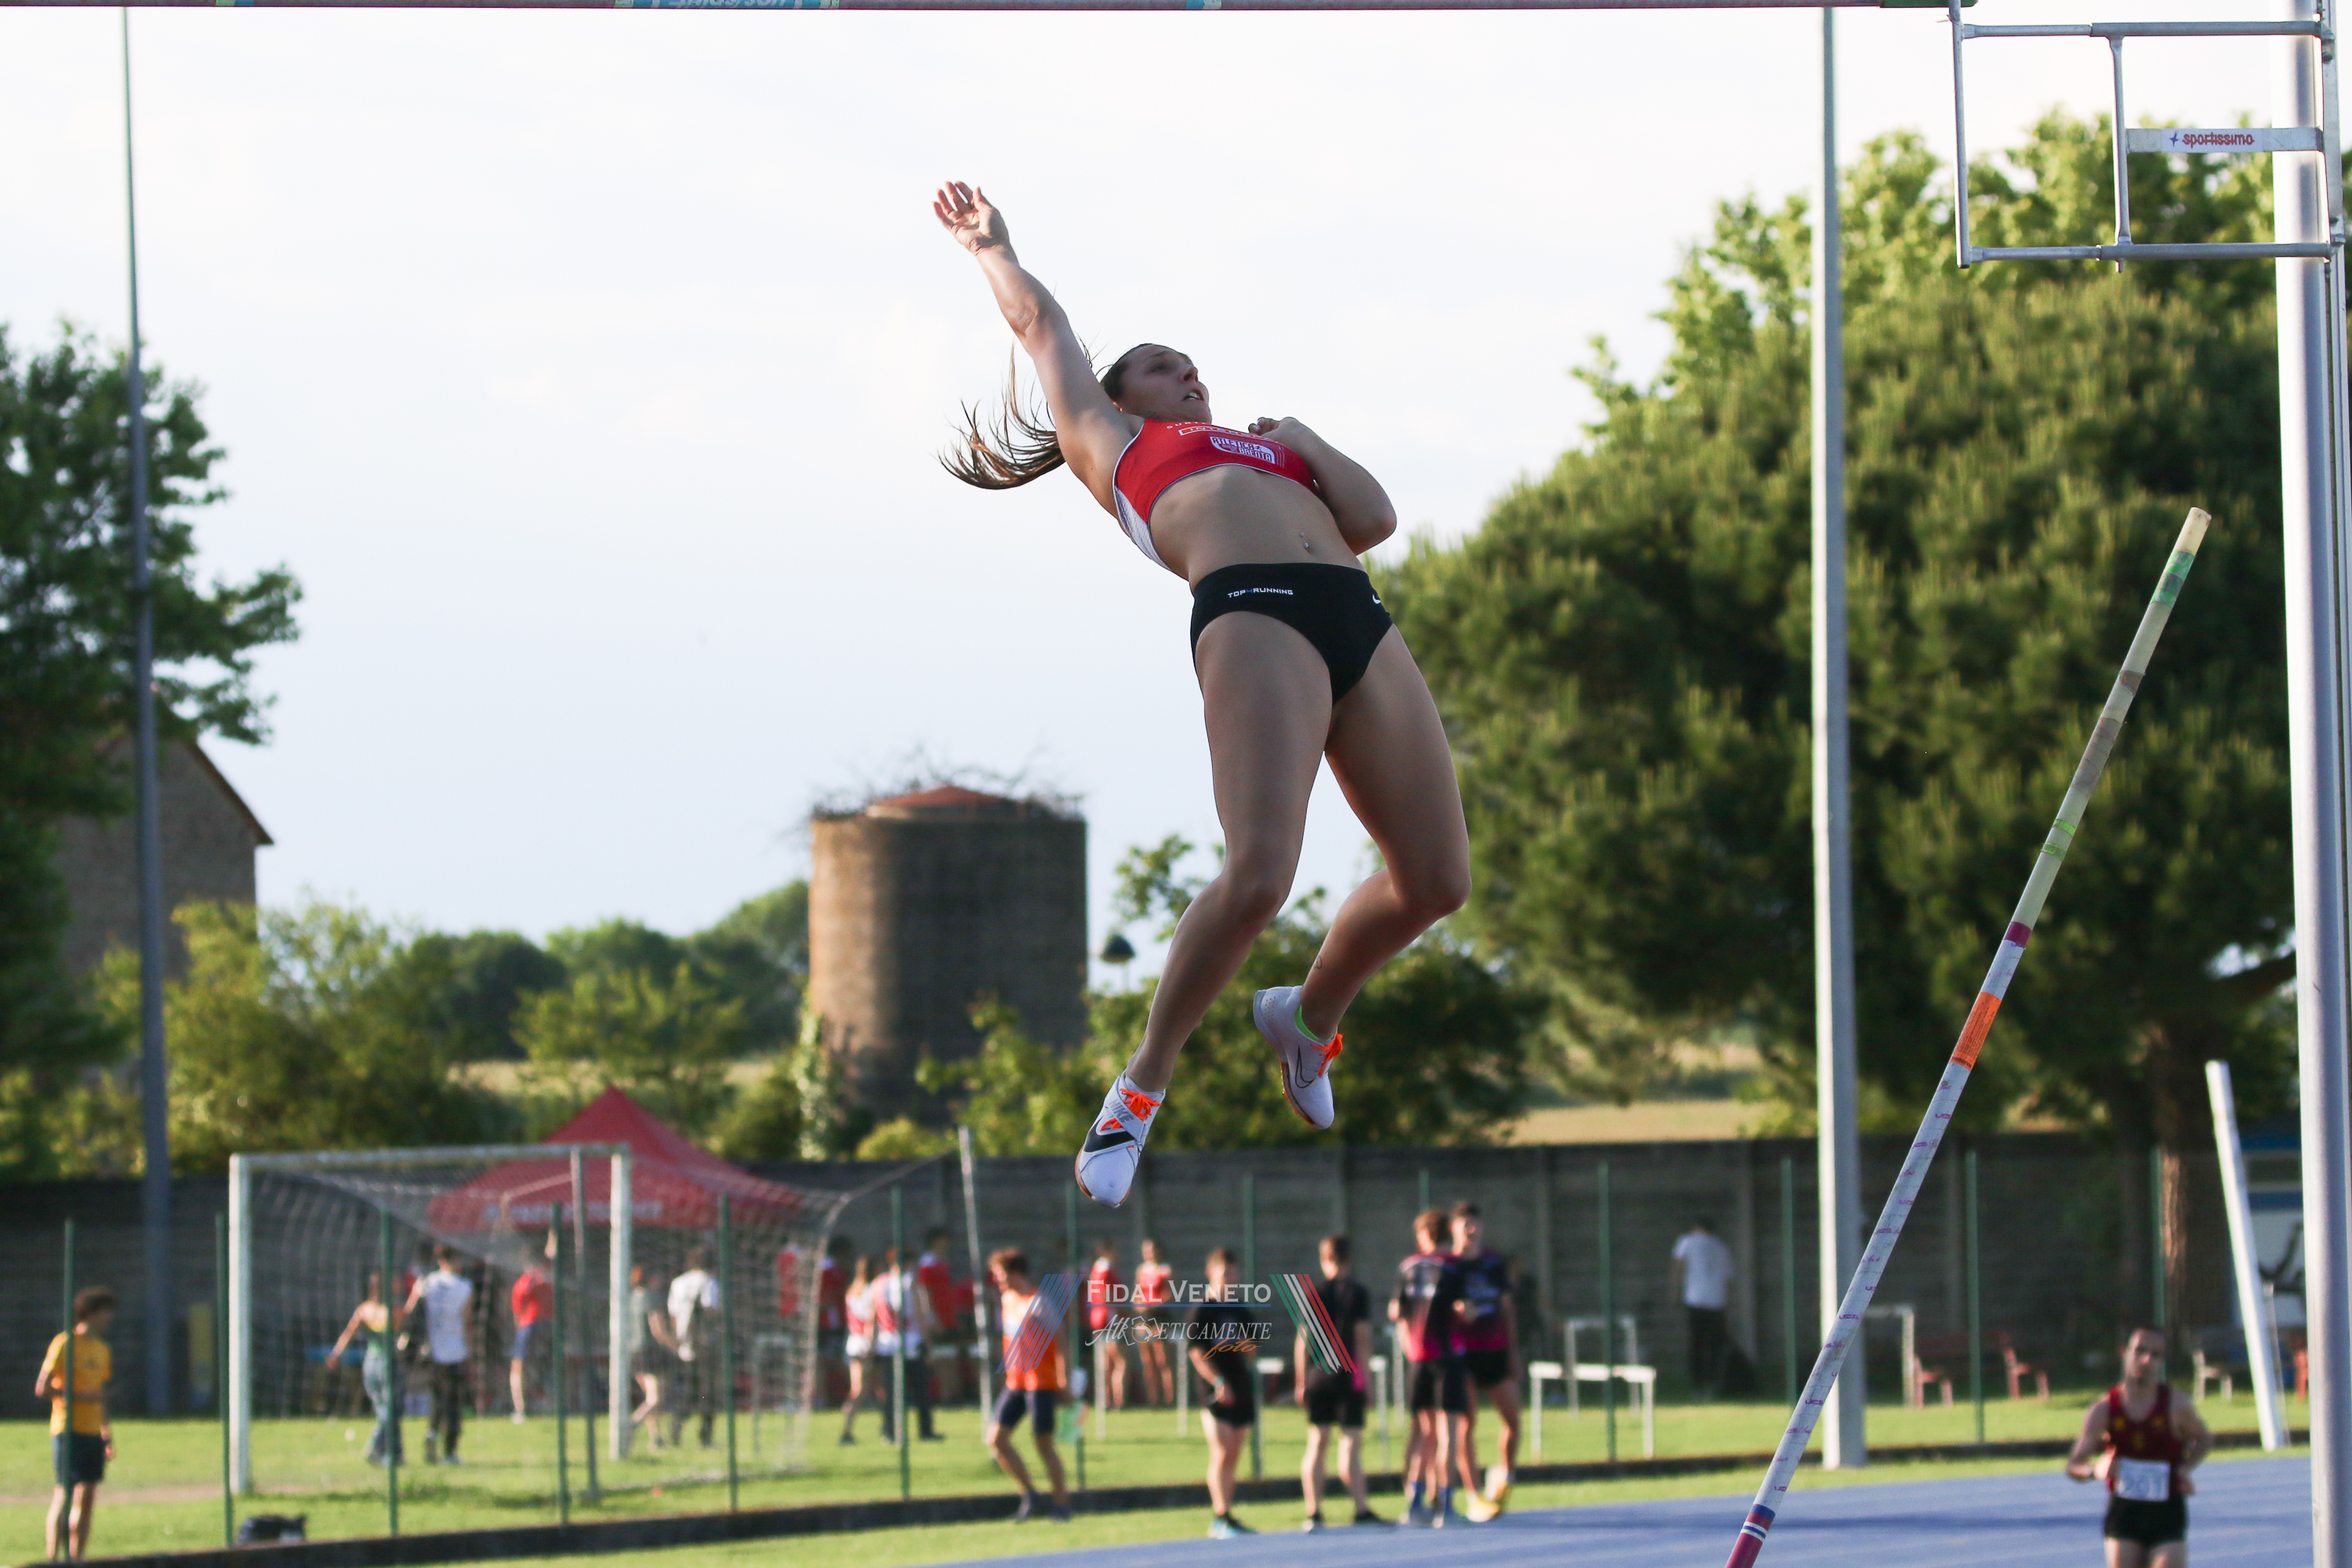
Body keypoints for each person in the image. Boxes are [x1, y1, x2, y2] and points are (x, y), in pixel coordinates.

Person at [934, 181, 1472, 1210]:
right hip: (1255, 610)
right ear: (1119, 396)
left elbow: (1373, 519)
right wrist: (991, 248)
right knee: (1261, 873)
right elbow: (1040, 324)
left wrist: (1306, 437)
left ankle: (1307, 1021)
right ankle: (1139, 1087)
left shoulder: (1275, 450)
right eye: (1160, 364)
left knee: (1438, 880)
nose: (1186, 371)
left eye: (1191, 362)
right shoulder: (1115, 442)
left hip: (1358, 616)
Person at [2066, 1327, 2212, 1567]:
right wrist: (2095, 1471)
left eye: (2155, 1355)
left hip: (2167, 1511)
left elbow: (2204, 1439)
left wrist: (2185, 1469)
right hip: (2125, 1513)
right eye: (2140, 1351)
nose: (2146, 1360)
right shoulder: (2103, 1410)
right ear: (2124, 1352)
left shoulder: (2176, 1405)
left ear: (2161, 1360)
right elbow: (2074, 1465)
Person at [1297, 1235, 1382, 1531]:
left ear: (1324, 1259)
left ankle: (1314, 1512)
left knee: (1317, 1443)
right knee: (1350, 1444)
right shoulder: (1358, 1293)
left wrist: (1300, 1381)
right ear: (1349, 1259)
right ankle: (1360, 1509)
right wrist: (1367, 1381)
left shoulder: (1312, 1293)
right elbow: (1362, 1338)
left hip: (1318, 1376)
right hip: (1347, 1377)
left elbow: (1302, 1341)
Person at [985, 1249, 1072, 1523]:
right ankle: (1030, 1495)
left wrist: (1064, 1381)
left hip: (1041, 1383)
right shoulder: (1007, 1299)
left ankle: (1061, 1505)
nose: (997, 1281)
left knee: (1043, 1444)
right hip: (1016, 1382)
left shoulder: (1038, 1302)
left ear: (1016, 1273)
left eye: (1001, 1275)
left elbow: (1062, 1341)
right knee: (996, 1440)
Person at [1391, 1210, 1465, 1527]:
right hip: (1447, 1357)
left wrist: (1409, 1345)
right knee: (1448, 1434)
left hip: (1418, 1357)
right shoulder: (1454, 1266)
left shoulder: (1408, 1266)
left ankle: (1414, 1503)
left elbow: (1396, 1311)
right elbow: (1465, 1309)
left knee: (1423, 1433)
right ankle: (1446, 1507)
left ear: (1423, 1235)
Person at [1448, 1203, 1521, 1521]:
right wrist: (1456, 1310)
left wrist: (1513, 1352)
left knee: (1513, 1420)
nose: (1471, 1230)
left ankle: (1504, 1476)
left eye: (1475, 1224)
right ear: (1453, 1228)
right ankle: (1473, 1494)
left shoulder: (1494, 1263)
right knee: (1467, 1424)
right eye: (1464, 1224)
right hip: (1461, 1354)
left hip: (1494, 1351)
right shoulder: (1448, 1265)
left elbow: (1507, 1309)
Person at [37, 1286, 114, 1560]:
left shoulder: (103, 1349)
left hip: (93, 1431)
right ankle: (53, 1559)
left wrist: (107, 1433)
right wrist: (80, 1397)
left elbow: (101, 1395)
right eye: (106, 1312)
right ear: (91, 1313)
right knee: (65, 1493)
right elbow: (43, 1388)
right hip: (68, 1428)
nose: (110, 1318)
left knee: (88, 1496)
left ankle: (76, 1558)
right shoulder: (65, 1343)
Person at [1190, 1247, 1263, 1539]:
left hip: (1240, 1385)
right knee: (1221, 1451)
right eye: (1224, 1274)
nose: (1230, 1279)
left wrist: (1245, 1343)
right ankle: (1219, 1516)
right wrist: (1218, 1381)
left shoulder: (1240, 1309)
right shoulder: (1202, 1309)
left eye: (1234, 1274)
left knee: (1233, 1454)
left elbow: (1252, 1352)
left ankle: (1228, 1514)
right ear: (1211, 1273)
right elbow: (1196, 1353)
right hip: (1215, 1390)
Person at [404, 1244, 474, 1465]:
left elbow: (409, 1311)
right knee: (454, 1402)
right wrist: (471, 1349)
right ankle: (450, 1451)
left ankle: (432, 1432)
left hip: (432, 1350)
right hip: (456, 1350)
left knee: (437, 1397)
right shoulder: (464, 1286)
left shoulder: (426, 1282)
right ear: (454, 1261)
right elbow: (467, 1321)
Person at [328, 1272, 402, 1466]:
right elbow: (400, 1324)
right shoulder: (391, 1310)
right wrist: (413, 1298)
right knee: (390, 1410)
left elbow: (348, 1333)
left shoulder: (364, 1310)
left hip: (370, 1364)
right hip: (387, 1362)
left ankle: (395, 1454)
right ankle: (375, 1447)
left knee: (383, 1408)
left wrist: (336, 1354)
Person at [872, 1248, 942, 1441]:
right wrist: (928, 1342)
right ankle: (925, 1430)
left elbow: (874, 1317)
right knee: (921, 1389)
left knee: (891, 1391)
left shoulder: (878, 1283)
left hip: (887, 1342)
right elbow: (919, 1316)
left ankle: (889, 1431)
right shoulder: (910, 1282)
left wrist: (873, 1344)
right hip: (910, 1341)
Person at [1669, 1218, 1735, 1399]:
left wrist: (1674, 1292)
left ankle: (1697, 1386)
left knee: (1696, 1345)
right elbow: (1728, 1278)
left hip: (1695, 1300)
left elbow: (1678, 1266)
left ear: (1696, 1227)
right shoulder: (1720, 1247)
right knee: (1714, 1346)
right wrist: (1727, 1302)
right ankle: (1712, 1386)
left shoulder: (1687, 1241)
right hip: (1717, 1302)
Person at [667, 1246, 721, 1450]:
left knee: (689, 1390)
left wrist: (677, 1340)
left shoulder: (678, 1283)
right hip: (704, 1345)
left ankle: (676, 1425)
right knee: (708, 1392)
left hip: (684, 1344)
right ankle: (705, 1437)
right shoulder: (709, 1282)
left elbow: (673, 1314)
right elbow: (709, 1310)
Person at [509, 1234, 555, 1421]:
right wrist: (552, 1234)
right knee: (549, 1365)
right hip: (549, 1325)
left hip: (528, 1326)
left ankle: (520, 1409)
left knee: (517, 1367)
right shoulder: (547, 1276)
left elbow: (517, 1313)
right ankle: (551, 1403)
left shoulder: (523, 1283)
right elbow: (552, 1252)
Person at [916, 1228, 965, 1402]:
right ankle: (945, 1397)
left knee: (951, 1359)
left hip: (948, 1318)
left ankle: (952, 1396)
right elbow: (925, 1292)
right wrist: (933, 1318)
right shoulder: (926, 1264)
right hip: (937, 1319)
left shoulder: (943, 1263)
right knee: (941, 1360)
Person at [626, 1266, 670, 1452]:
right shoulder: (651, 1298)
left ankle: (656, 1439)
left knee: (650, 1398)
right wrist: (675, 1346)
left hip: (633, 1352)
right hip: (649, 1352)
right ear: (651, 1279)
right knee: (655, 1399)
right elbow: (658, 1330)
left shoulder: (630, 1298)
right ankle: (631, 1424)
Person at [1086, 1239, 1131, 1410]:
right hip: (1110, 1319)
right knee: (1121, 1362)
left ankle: (1105, 1401)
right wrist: (1121, 1311)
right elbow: (1106, 1294)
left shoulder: (1095, 1269)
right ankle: (1119, 1402)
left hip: (1098, 1318)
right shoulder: (1106, 1269)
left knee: (1106, 1364)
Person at [838, 1256, 877, 1445]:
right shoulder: (871, 1291)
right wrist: (870, 1345)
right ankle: (846, 1430)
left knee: (867, 1388)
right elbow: (871, 1321)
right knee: (860, 1390)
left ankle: (887, 1427)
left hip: (853, 1342)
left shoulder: (852, 1290)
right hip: (866, 1343)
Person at [1134, 1239, 1176, 1406]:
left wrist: (1153, 1304)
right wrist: (1140, 1305)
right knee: (1147, 1361)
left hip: (1160, 1317)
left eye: (1151, 1250)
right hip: (1145, 1318)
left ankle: (1170, 1399)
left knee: (1163, 1360)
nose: (1148, 1253)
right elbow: (1137, 1294)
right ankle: (1153, 1399)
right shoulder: (1141, 1270)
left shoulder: (1166, 1270)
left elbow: (1170, 1295)